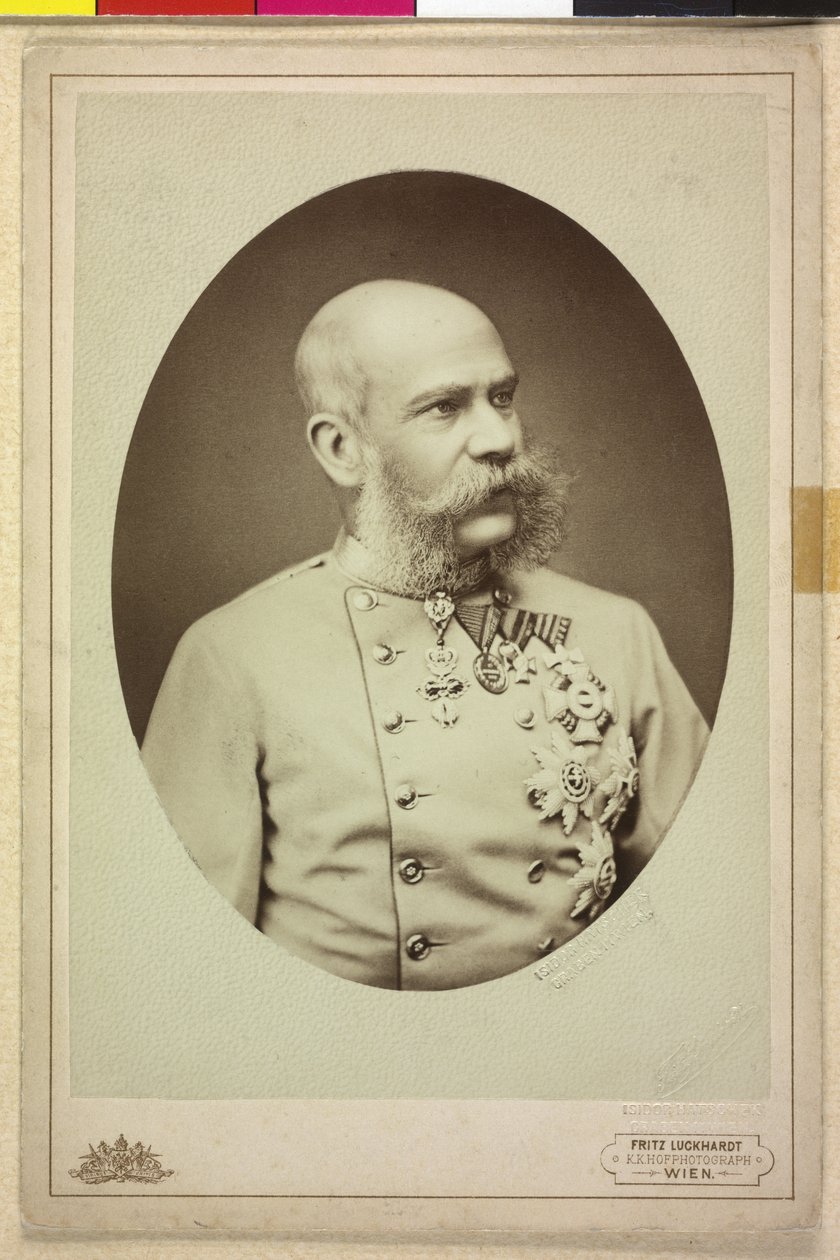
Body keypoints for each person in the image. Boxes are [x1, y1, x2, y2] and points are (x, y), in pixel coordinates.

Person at [141, 279, 708, 991]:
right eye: (445, 407)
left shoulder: (616, 630)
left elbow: (703, 910)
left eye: (503, 397)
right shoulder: (231, 657)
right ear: (343, 448)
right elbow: (192, 969)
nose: (501, 439)